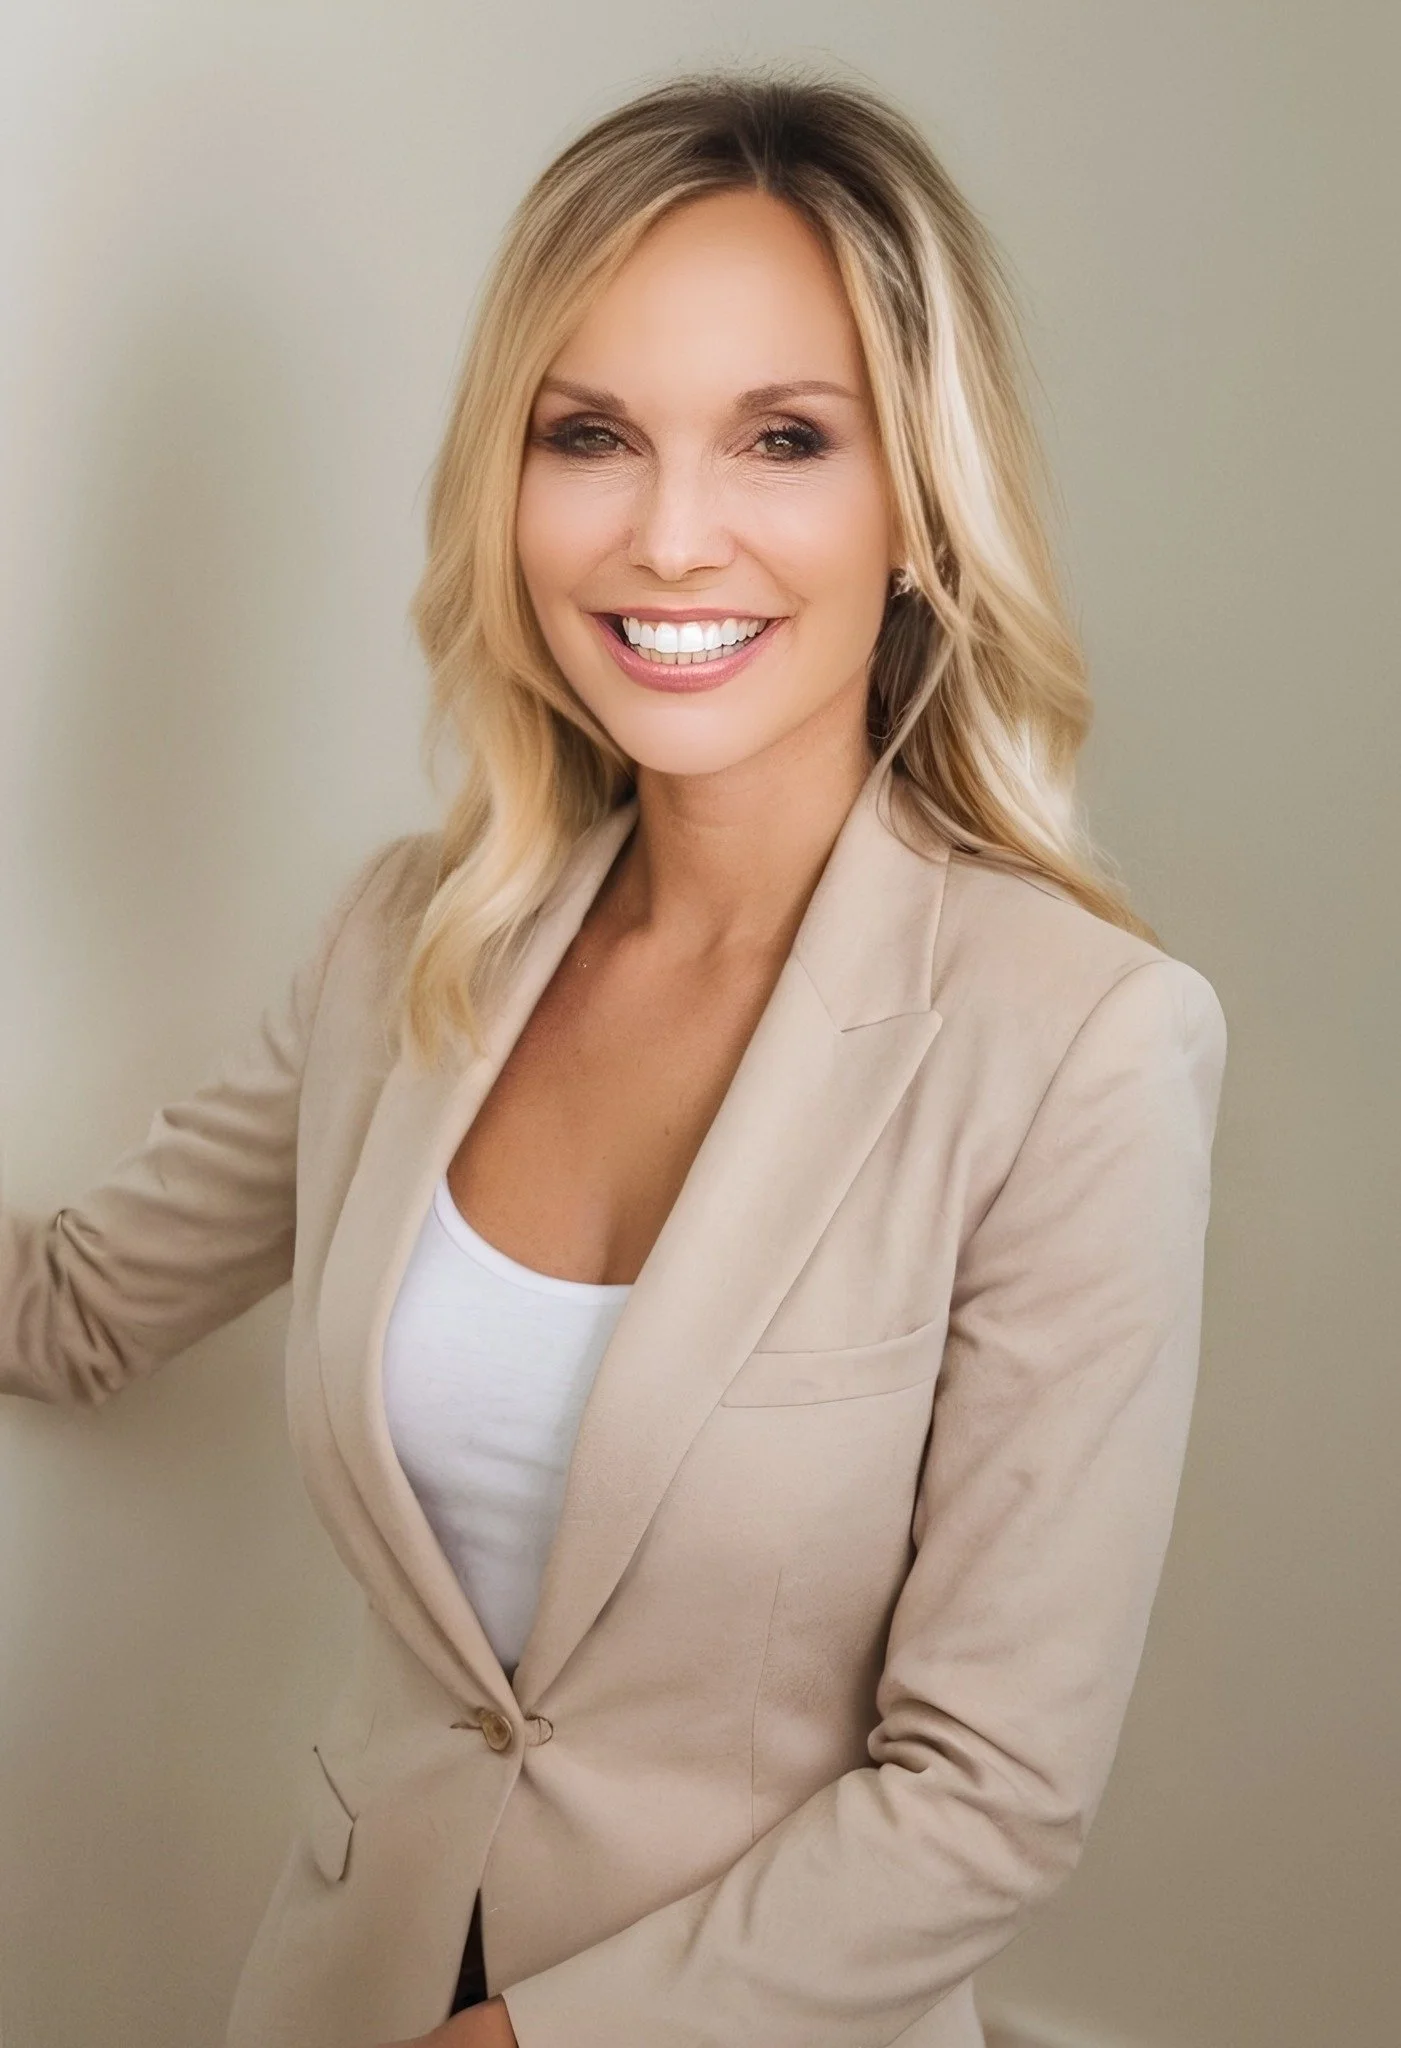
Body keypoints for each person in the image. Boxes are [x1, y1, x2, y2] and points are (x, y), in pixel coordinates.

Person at [0, 67, 1228, 2048]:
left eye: (780, 438)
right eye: (590, 435)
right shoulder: (413, 941)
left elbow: (986, 1791)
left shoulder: (1077, 1042)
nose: (670, 536)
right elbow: (67, 1306)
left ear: (914, 497)